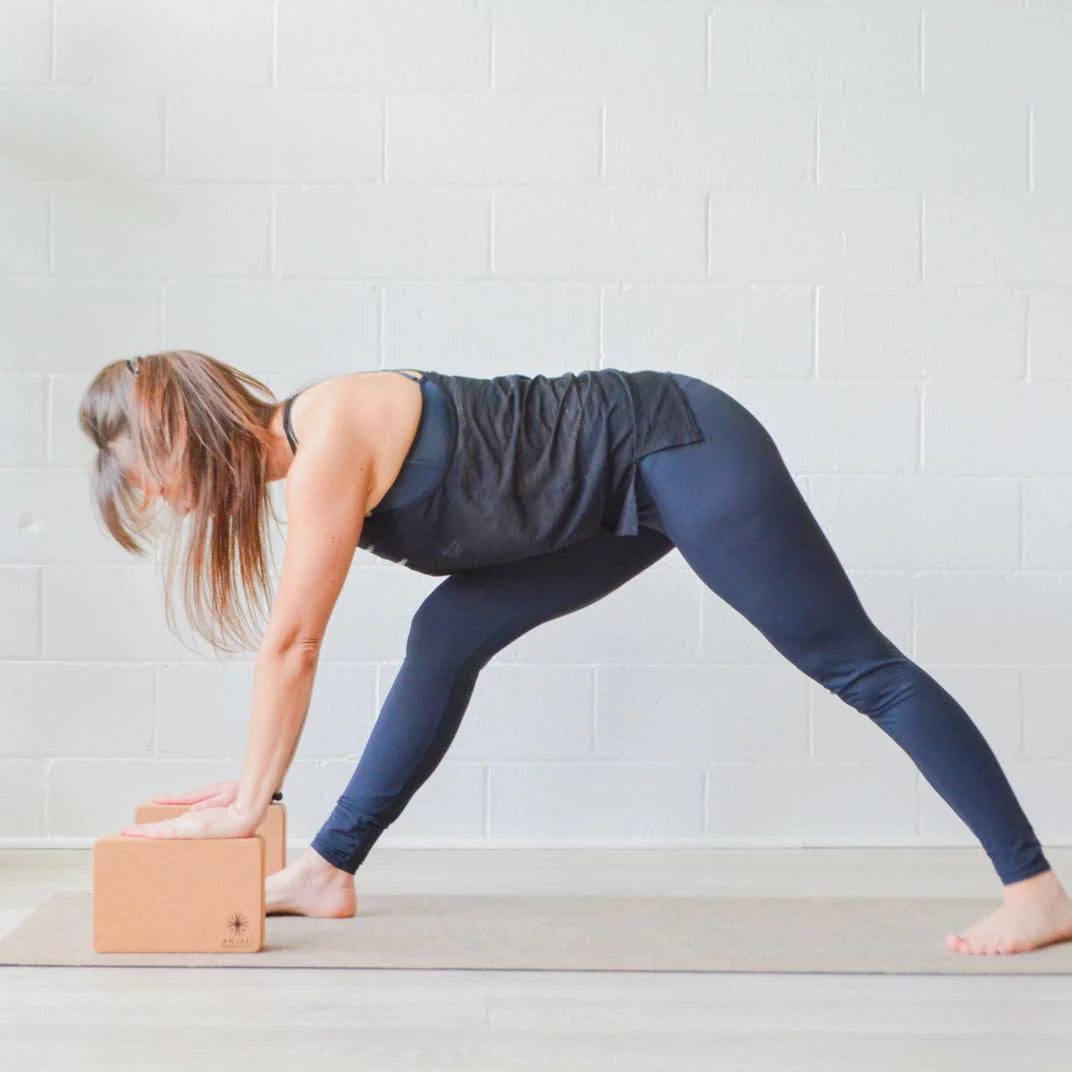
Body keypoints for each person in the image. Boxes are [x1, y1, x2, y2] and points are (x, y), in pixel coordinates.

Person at [80, 348, 1072, 957]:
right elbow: (291, 641)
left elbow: (294, 643)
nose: (157, 499)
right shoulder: (309, 447)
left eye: (143, 475)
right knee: (448, 631)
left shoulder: (329, 430)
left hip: (676, 443)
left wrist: (250, 803)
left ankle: (1034, 891)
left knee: (852, 663)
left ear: (176, 430)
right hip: (606, 497)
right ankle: (328, 868)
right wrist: (250, 794)